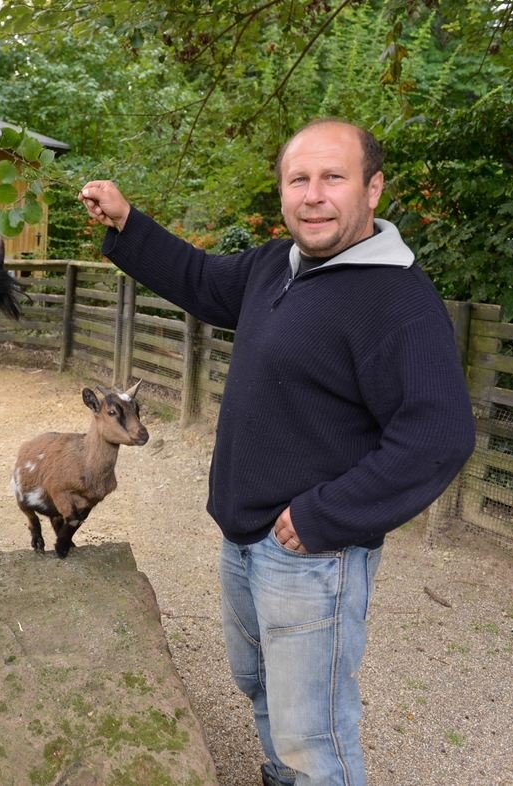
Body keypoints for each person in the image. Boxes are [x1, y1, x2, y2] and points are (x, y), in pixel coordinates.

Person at [79, 119, 476, 786]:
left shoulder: (397, 298)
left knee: (312, 736)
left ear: (373, 189)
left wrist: (325, 516)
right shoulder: (278, 264)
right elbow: (203, 281)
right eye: (299, 179)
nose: (313, 195)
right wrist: (126, 224)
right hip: (244, 533)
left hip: (311, 554)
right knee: (259, 686)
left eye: (333, 177)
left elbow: (439, 434)